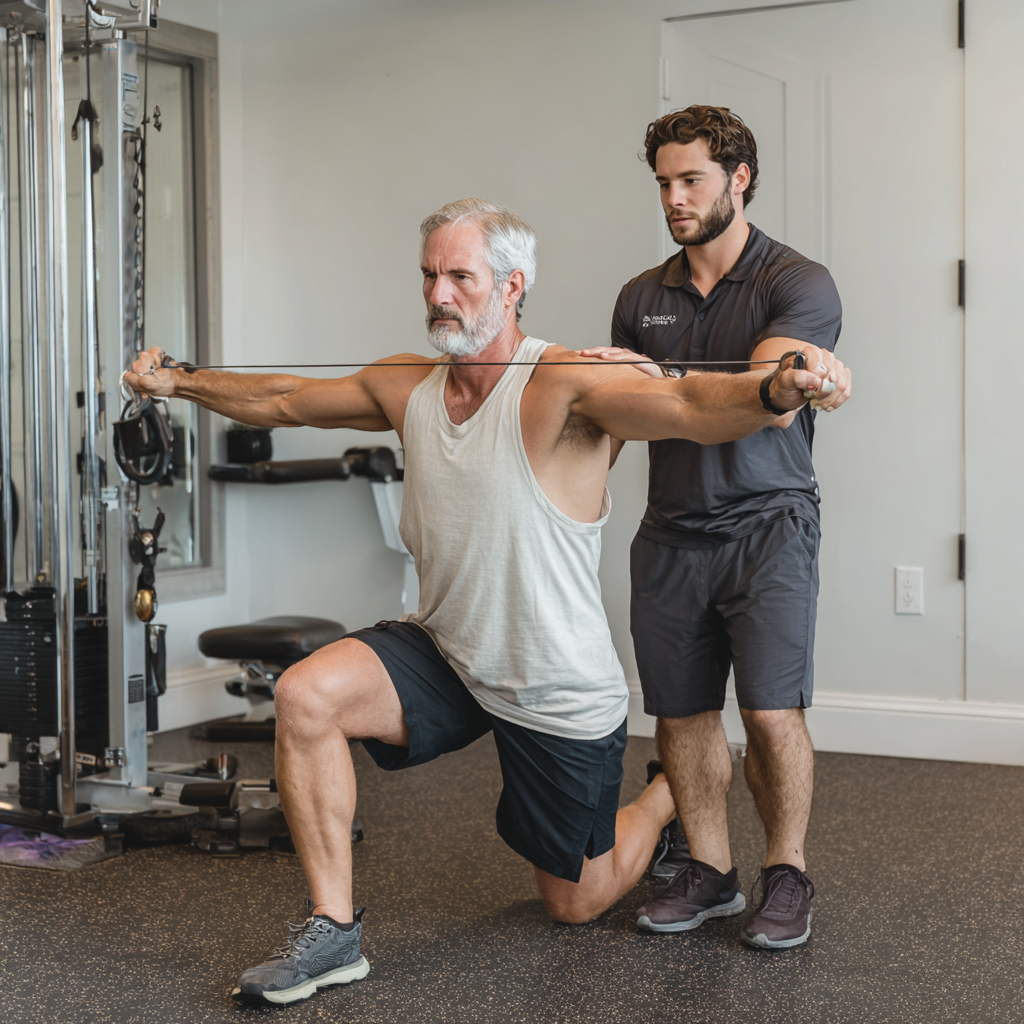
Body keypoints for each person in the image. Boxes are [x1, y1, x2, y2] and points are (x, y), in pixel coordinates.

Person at [125, 197, 841, 1004]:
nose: (439, 295)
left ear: (511, 287)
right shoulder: (407, 385)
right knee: (305, 696)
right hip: (448, 650)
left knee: (577, 902)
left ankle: (670, 791)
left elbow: (686, 407)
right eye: (430, 275)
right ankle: (332, 931)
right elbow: (285, 398)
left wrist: (779, 389)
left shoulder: (564, 383)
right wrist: (178, 382)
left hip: (554, 685)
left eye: (460, 276)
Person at [581, 106, 852, 949]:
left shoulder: (797, 282)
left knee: (771, 714)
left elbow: (767, 401)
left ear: (739, 179)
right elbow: (627, 422)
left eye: (690, 178)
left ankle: (787, 871)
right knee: (682, 713)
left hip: (769, 525)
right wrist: (608, 384)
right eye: (663, 181)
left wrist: (671, 384)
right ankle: (709, 868)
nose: (673, 196)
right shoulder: (641, 296)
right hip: (672, 531)